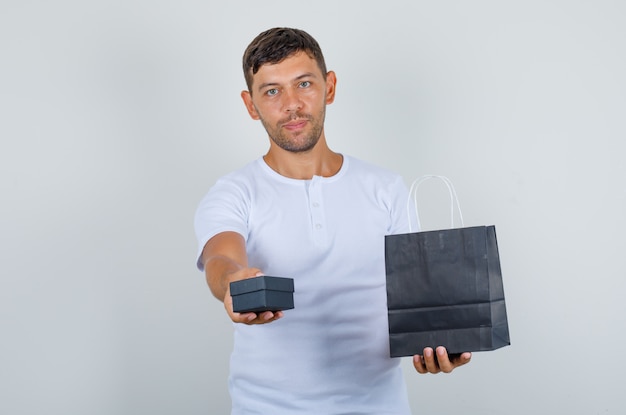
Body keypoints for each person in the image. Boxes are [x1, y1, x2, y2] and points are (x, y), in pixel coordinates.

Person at [194, 27, 471, 414]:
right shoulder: (234, 191)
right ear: (251, 104)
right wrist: (232, 281)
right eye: (272, 91)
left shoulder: (386, 188)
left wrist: (438, 345)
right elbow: (221, 259)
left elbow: (417, 302)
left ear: (330, 87)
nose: (291, 104)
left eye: (303, 84)